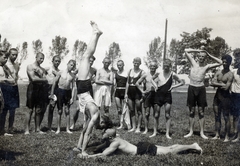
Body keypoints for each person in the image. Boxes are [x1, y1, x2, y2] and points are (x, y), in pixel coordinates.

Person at [74, 21, 112, 155]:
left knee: (86, 56)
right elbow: (89, 132)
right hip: (83, 89)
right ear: (102, 120)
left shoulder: (94, 114)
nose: (98, 126)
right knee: (86, 56)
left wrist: (82, 150)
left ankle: (80, 146)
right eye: (101, 125)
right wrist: (83, 151)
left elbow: (87, 131)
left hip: (82, 91)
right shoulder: (95, 112)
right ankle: (96, 34)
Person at [78, 128, 202, 158]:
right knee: (169, 147)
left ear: (110, 137)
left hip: (142, 150)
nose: (102, 134)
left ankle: (193, 146)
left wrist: (87, 157)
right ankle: (191, 148)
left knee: (170, 150)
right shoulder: (115, 139)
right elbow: (101, 146)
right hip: (141, 146)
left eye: (104, 133)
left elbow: (104, 154)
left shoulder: (114, 143)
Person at [184, 49, 222, 139]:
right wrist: (198, 50)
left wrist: (208, 54)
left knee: (201, 111)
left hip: (201, 89)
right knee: (192, 111)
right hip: (192, 88)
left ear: (205, 58)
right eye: (200, 56)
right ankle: (191, 131)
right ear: (197, 57)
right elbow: (186, 50)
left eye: (203, 57)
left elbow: (220, 62)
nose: (201, 58)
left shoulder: (207, 66)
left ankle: (202, 132)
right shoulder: (193, 62)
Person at [151, 59, 184, 139]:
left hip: (167, 96)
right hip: (158, 95)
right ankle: (155, 132)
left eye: (167, 66)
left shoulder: (172, 74)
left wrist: (173, 86)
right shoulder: (159, 73)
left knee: (167, 115)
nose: (165, 68)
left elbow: (182, 82)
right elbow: (151, 79)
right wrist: (155, 86)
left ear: (170, 66)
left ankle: (167, 134)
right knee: (156, 114)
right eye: (164, 66)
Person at [50, 60, 76, 134]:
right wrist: (52, 93)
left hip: (68, 92)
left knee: (67, 111)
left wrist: (72, 97)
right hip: (60, 91)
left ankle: (68, 129)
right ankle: (58, 129)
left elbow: (74, 87)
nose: (72, 66)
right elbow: (54, 82)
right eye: (71, 65)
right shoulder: (61, 72)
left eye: (73, 65)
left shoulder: (72, 75)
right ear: (67, 64)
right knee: (59, 111)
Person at [70, 55, 96, 130]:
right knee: (78, 108)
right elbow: (73, 74)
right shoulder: (80, 68)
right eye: (89, 60)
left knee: (88, 108)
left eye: (92, 61)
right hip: (80, 90)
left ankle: (86, 124)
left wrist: (92, 81)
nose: (90, 62)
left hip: (88, 90)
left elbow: (96, 79)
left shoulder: (93, 70)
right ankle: (73, 124)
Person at [25, 52, 48, 135]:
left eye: (43, 59)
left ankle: (37, 129)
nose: (41, 60)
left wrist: (40, 75)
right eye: (40, 58)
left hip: (40, 89)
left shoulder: (42, 69)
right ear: (36, 57)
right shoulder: (30, 66)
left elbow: (45, 78)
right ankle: (27, 130)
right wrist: (43, 79)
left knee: (38, 110)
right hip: (32, 88)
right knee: (30, 109)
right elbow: (33, 79)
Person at [211, 55, 233, 142]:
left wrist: (217, 83)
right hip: (217, 96)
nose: (224, 64)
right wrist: (221, 84)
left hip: (226, 97)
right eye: (223, 62)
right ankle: (217, 134)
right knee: (217, 115)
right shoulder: (218, 72)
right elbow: (212, 83)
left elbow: (226, 88)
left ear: (229, 63)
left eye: (226, 62)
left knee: (226, 117)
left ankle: (227, 136)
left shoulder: (230, 74)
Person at [0, 48, 20, 136]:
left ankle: (10, 127)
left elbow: (15, 77)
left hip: (14, 88)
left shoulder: (16, 65)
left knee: (13, 109)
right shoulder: (5, 65)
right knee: (4, 109)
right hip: (6, 88)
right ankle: (2, 129)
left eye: (16, 55)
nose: (14, 56)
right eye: (13, 54)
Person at [135, 61, 158, 134]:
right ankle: (146, 129)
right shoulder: (145, 75)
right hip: (148, 95)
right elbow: (137, 83)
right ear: (149, 67)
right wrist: (142, 91)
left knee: (156, 113)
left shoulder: (159, 75)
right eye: (151, 66)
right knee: (147, 113)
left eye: (154, 66)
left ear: (156, 67)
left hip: (156, 95)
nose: (152, 67)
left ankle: (155, 130)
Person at [125, 57, 146, 133]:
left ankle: (138, 127)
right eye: (135, 62)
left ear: (140, 63)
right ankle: (133, 126)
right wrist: (126, 94)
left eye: (138, 62)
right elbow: (127, 83)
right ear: (133, 62)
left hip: (137, 93)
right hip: (130, 92)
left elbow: (144, 84)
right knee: (131, 110)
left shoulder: (142, 72)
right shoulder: (130, 71)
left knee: (139, 111)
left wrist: (143, 94)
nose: (136, 63)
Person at [45, 55, 61, 132]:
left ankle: (49, 127)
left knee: (51, 107)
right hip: (46, 88)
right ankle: (37, 127)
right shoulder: (48, 69)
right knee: (42, 107)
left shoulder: (59, 71)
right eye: (56, 61)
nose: (57, 62)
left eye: (58, 61)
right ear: (52, 61)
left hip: (54, 89)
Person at [113, 60, 129, 129]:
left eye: (120, 65)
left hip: (124, 90)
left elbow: (127, 83)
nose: (119, 66)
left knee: (125, 109)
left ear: (123, 65)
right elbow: (114, 83)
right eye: (118, 65)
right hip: (117, 91)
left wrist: (126, 93)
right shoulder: (115, 73)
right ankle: (121, 124)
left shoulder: (126, 73)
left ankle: (127, 123)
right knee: (119, 108)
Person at [231, 52, 240, 142]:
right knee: (235, 116)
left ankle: (238, 136)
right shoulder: (234, 71)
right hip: (234, 95)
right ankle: (235, 133)